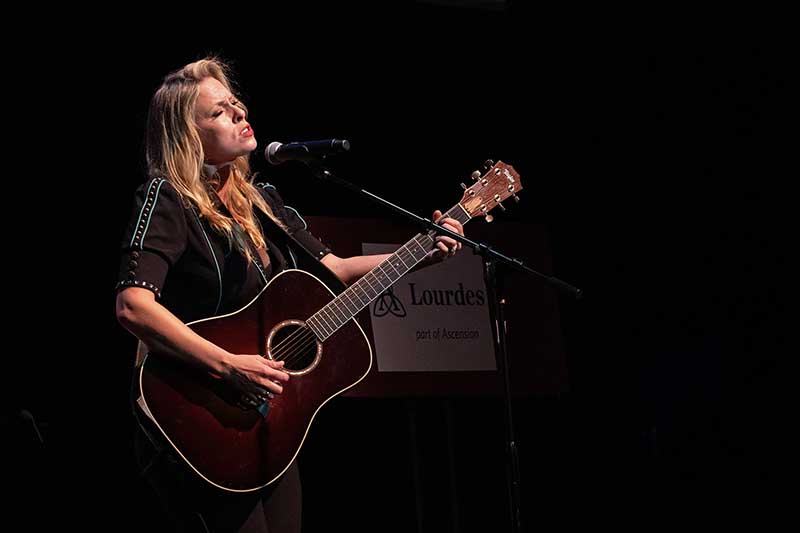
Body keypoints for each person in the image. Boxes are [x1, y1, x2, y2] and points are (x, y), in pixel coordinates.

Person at [115, 56, 465, 533]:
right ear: (186, 135)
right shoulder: (168, 198)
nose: (238, 113)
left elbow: (336, 271)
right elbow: (134, 305)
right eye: (218, 112)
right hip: (193, 417)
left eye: (235, 103)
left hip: (262, 424)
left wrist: (424, 250)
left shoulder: (264, 203)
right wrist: (227, 365)